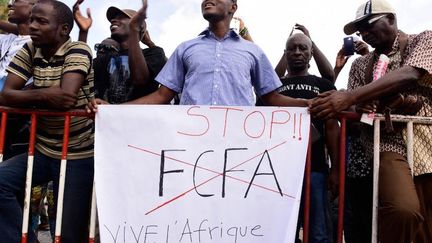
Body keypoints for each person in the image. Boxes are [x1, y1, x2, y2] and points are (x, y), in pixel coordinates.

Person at [310, 0, 432, 242]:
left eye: (369, 25)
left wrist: (352, 97)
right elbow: (352, 115)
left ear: (391, 20)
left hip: (427, 143)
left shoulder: (423, 40)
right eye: (360, 30)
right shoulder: (360, 64)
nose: (364, 33)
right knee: (402, 209)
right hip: (386, 143)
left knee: (427, 224)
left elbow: (411, 73)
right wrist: (359, 106)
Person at [88, 0, 308, 110]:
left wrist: (308, 104)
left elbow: (270, 97)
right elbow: (161, 96)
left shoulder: (253, 51)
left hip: (237, 143)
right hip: (191, 143)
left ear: (233, 6)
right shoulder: (186, 48)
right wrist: (114, 110)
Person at [0, 1, 95, 242]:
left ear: (63, 29)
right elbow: (6, 94)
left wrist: (27, 98)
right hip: (42, 149)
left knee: (69, 232)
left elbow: (65, 98)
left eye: (41, 22)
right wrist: (44, 95)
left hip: (78, 154)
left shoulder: (78, 50)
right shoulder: (30, 49)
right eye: (32, 20)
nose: (32, 26)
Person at [260, 33, 339, 243]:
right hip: (277, 170)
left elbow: (332, 127)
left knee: (319, 232)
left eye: (303, 48)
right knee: (281, 231)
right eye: (292, 48)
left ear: (311, 54)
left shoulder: (323, 85)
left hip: (315, 168)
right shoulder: (270, 89)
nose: (297, 52)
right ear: (285, 53)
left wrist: (336, 170)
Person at [81, 3, 167, 103]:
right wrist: (83, 33)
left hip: (139, 117)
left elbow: (140, 79)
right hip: (106, 118)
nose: (113, 20)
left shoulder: (154, 53)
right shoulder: (106, 58)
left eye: (121, 17)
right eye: (114, 18)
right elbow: (80, 73)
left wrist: (134, 30)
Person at [0, 0, 35, 90]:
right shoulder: (8, 39)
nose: (9, 4)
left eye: (16, 1)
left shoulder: (40, 46)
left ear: (34, 7)